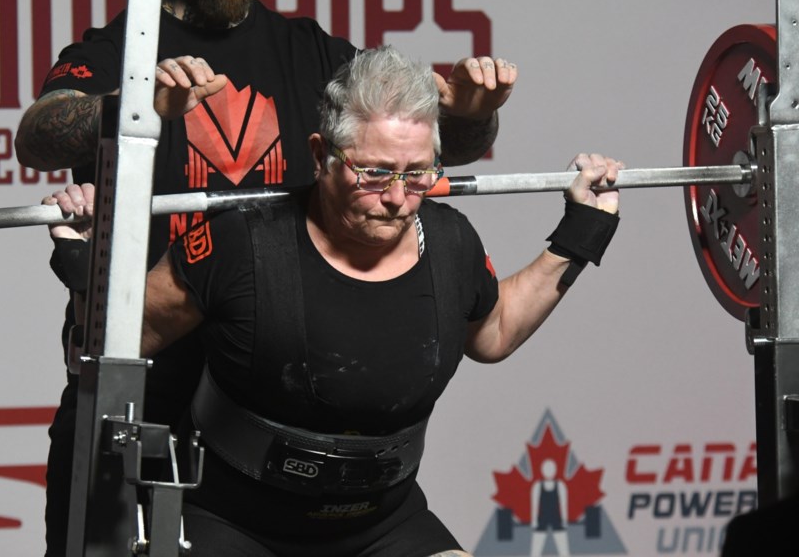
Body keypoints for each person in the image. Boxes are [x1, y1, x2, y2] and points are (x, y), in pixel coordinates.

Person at [17, 0, 518, 553]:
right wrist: (135, 106)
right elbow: (38, 136)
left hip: (268, 412)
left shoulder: (313, 55)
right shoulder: (115, 51)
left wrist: (473, 115)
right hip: (138, 393)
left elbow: (426, 153)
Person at [45, 46, 621, 557]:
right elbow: (121, 338)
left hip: (381, 524)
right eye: (374, 173)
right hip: (230, 522)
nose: (398, 198)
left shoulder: (450, 243)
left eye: (419, 174)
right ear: (321, 154)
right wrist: (87, 258)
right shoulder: (241, 244)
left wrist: (582, 232)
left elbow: (493, 334)